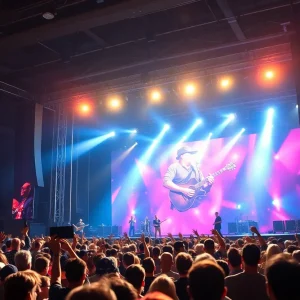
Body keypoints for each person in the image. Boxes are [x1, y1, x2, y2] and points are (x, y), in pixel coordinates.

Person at [163, 146, 214, 210]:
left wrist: (208, 185)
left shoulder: (196, 169)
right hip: (178, 204)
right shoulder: (174, 167)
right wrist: (183, 190)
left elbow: (203, 186)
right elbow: (166, 182)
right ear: (182, 156)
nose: (191, 156)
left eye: (192, 154)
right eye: (189, 154)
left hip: (195, 205)